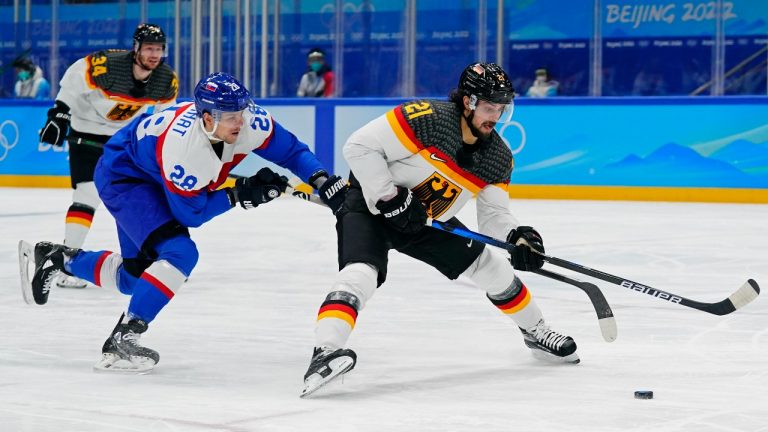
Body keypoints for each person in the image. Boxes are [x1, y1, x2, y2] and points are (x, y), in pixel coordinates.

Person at [20, 72, 348, 374]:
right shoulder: (187, 150)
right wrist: (239, 194)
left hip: (151, 170)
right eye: (231, 117)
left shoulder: (249, 121)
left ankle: (57, 259)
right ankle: (124, 338)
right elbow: (190, 214)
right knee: (180, 253)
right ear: (206, 118)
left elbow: (291, 151)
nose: (240, 122)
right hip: (126, 177)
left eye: (242, 112)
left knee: (134, 280)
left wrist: (323, 180)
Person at [300, 62, 577, 398]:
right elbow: (358, 147)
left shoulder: (497, 157)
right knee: (360, 273)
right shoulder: (427, 119)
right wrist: (390, 197)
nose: (497, 116)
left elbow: (494, 217)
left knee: (490, 266)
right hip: (370, 208)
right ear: (468, 102)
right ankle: (325, 352)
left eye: (502, 108)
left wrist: (516, 236)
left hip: (425, 221)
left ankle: (535, 332)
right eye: (490, 107)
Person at [38, 23, 179, 289]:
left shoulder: (165, 79)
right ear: (136, 48)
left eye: (159, 49)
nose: (154, 54)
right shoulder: (106, 65)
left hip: (121, 141)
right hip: (86, 134)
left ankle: (150, 259)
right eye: (149, 48)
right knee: (86, 195)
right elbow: (74, 80)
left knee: (139, 197)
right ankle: (67, 260)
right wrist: (59, 112)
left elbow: (164, 119)